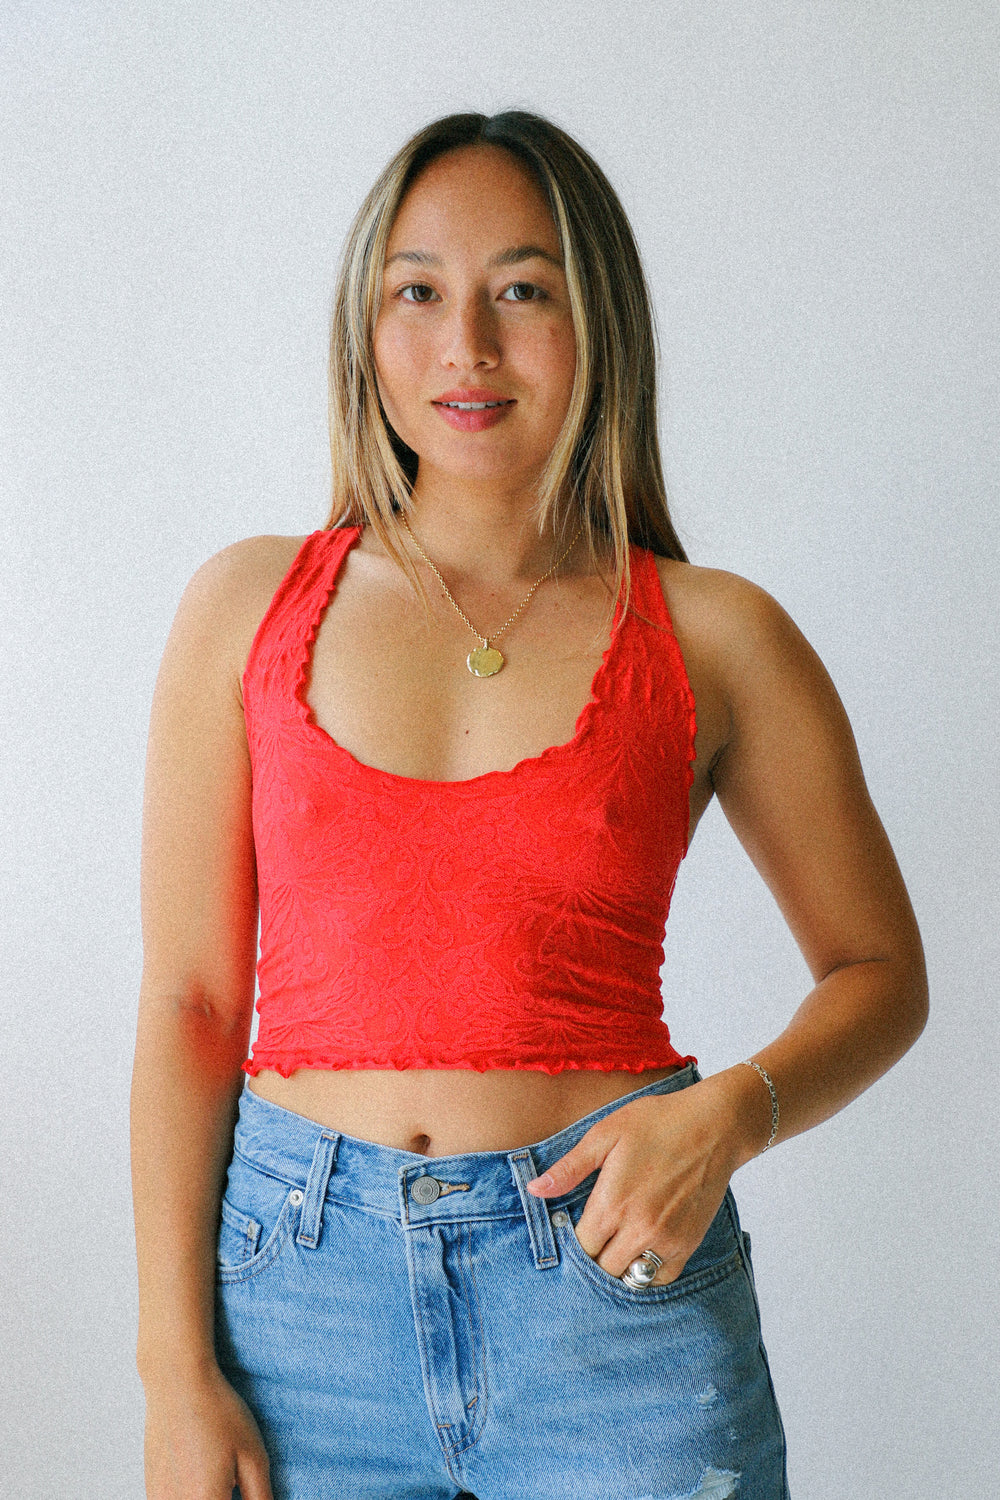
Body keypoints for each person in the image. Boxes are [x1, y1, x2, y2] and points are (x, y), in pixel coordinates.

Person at [130, 110, 928, 1500]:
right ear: (364, 328)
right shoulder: (246, 607)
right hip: (299, 1314)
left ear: (595, 320)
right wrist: (172, 1370)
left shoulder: (718, 635)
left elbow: (880, 972)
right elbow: (195, 1002)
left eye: (522, 291)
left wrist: (730, 1117)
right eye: (417, 292)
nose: (468, 346)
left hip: (614, 1296)